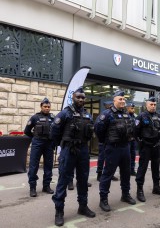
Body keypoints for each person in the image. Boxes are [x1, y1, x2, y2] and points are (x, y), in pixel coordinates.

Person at [51, 87, 95, 226]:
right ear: (73, 98)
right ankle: (59, 211)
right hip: (68, 150)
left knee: (83, 179)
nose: (81, 99)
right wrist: (63, 145)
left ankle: (83, 206)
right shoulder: (65, 113)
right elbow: (54, 132)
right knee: (63, 180)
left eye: (83, 97)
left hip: (83, 150)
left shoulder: (87, 115)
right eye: (78, 97)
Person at [94, 90, 136, 212]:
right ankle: (103, 199)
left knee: (126, 173)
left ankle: (125, 194)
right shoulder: (107, 114)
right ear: (114, 101)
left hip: (125, 148)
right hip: (113, 148)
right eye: (120, 99)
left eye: (123, 99)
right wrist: (106, 142)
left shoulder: (126, 114)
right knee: (107, 174)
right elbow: (98, 130)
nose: (122, 101)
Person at [135, 97, 160, 202]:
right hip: (146, 147)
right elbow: (135, 132)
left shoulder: (158, 116)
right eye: (151, 104)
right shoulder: (141, 116)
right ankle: (139, 190)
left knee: (156, 168)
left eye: (154, 105)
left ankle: (156, 187)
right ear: (146, 105)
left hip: (156, 146)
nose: (153, 106)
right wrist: (141, 142)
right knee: (142, 168)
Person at [24, 98, 55, 197]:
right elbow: (27, 131)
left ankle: (46, 186)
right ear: (41, 107)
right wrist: (34, 137)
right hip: (37, 143)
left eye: (48, 107)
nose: (47, 108)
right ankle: (32, 187)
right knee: (33, 165)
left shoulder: (53, 118)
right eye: (45, 107)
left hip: (49, 144)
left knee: (48, 165)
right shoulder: (35, 117)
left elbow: (56, 130)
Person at [96, 100, 119, 182]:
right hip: (104, 141)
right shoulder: (104, 115)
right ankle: (99, 174)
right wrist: (102, 139)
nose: (111, 106)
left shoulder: (115, 114)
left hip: (111, 142)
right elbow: (97, 128)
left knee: (111, 159)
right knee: (101, 158)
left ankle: (111, 174)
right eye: (110, 105)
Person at [126, 102, 137, 176]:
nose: (133, 110)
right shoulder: (125, 116)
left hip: (133, 139)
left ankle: (132, 170)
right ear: (127, 108)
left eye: (134, 108)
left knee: (133, 155)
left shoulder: (135, 116)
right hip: (127, 140)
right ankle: (126, 170)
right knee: (127, 156)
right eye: (132, 108)